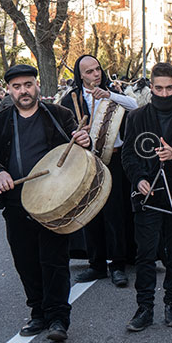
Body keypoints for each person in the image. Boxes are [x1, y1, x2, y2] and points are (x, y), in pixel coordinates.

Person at [0, 64, 92, 342]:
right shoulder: (0, 121)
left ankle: (58, 318)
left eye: (28, 85)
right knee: (25, 261)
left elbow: (81, 149)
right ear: (9, 90)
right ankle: (38, 312)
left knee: (55, 261)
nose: (23, 91)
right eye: (17, 87)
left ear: (37, 86)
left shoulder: (59, 115)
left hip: (55, 200)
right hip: (16, 203)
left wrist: (85, 141)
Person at [121, 63, 172, 331]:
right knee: (145, 254)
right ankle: (144, 308)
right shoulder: (136, 117)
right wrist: (139, 179)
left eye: (170, 88)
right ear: (151, 87)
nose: (165, 93)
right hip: (147, 195)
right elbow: (128, 155)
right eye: (159, 88)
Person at [61, 55, 139, 287]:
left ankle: (117, 264)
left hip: (114, 161)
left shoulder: (113, 93)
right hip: (86, 164)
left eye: (97, 69)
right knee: (89, 212)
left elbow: (135, 106)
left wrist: (109, 95)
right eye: (89, 71)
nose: (95, 74)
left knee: (115, 213)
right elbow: (62, 130)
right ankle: (96, 264)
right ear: (80, 76)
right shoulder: (71, 99)